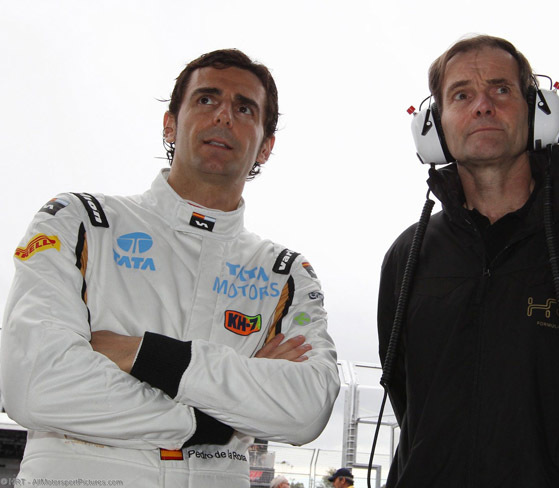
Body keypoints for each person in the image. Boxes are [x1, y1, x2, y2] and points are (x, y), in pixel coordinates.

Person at [1, 48, 340, 487]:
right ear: (169, 124)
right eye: (206, 99)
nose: (223, 115)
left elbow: (307, 409)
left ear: (266, 147)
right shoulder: (80, 220)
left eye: (244, 108)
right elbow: (35, 385)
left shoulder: (285, 271)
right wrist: (216, 420)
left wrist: (142, 355)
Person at [378, 35, 559, 487]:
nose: (482, 106)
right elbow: (409, 401)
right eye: (461, 95)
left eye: (501, 89)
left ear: (538, 111)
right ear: (434, 127)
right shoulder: (408, 257)